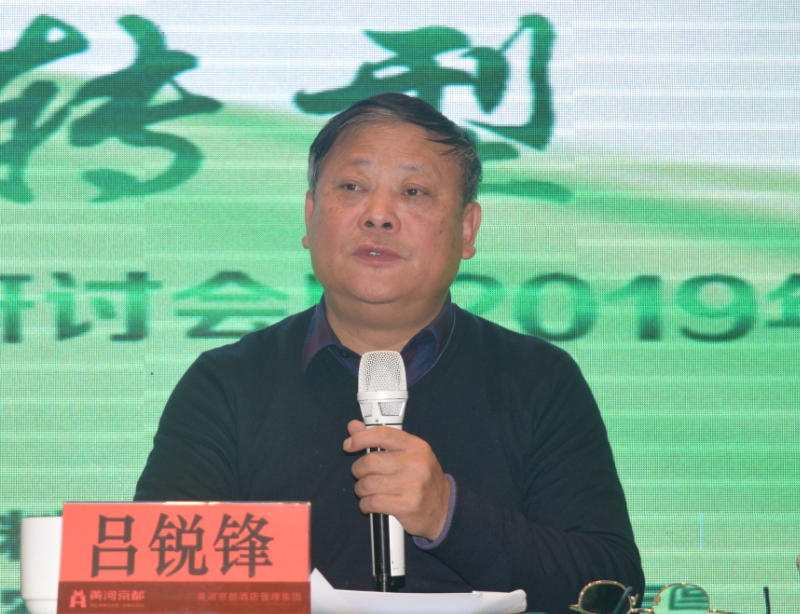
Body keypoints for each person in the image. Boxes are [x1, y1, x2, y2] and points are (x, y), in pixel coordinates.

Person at [135, 92, 644, 613]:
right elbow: (155, 584)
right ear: (311, 215)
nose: (378, 215)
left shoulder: (538, 379)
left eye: (413, 192)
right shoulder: (227, 383)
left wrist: (448, 515)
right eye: (352, 187)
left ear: (467, 229)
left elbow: (611, 587)